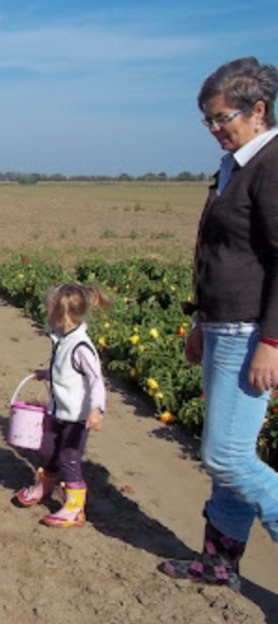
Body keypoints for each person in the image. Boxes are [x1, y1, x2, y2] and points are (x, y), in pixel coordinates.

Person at [160, 56, 278, 589]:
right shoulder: (234, 165)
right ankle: (219, 560)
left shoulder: (271, 165)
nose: (212, 129)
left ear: (258, 110)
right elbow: (221, 254)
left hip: (250, 331)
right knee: (228, 454)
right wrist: (201, 321)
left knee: (226, 455)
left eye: (221, 118)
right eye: (206, 119)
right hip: (222, 326)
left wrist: (271, 340)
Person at [14, 284, 109, 527]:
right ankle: (45, 486)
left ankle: (75, 507)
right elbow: (67, 372)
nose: (45, 312)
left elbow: (96, 380)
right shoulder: (62, 340)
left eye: (49, 308)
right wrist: (47, 374)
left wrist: (96, 409)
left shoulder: (81, 347)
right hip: (58, 412)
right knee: (48, 451)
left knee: (69, 460)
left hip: (77, 419)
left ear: (62, 315)